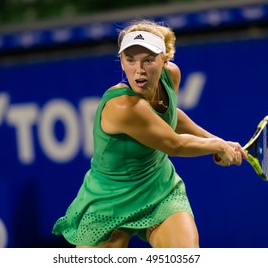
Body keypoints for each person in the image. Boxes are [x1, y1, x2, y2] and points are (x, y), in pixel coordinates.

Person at [52, 19, 247, 248]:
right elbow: (174, 145)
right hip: (108, 199)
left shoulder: (171, 75)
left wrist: (219, 141)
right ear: (122, 62)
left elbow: (171, 118)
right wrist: (217, 146)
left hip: (158, 188)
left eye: (148, 60)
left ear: (165, 60)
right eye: (130, 60)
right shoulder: (123, 107)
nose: (139, 70)